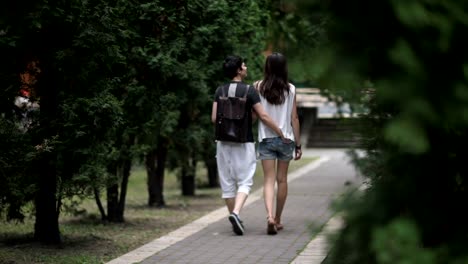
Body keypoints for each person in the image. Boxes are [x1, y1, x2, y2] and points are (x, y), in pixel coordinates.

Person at [211, 55, 288, 236]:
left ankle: (234, 218)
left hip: (222, 142)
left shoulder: (219, 90)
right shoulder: (249, 91)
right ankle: (236, 213)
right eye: (243, 65)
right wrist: (280, 132)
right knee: (245, 181)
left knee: (227, 183)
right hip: (243, 141)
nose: (246, 67)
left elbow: (214, 118)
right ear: (238, 70)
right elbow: (263, 116)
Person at [254, 52, 302, 235]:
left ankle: (269, 216)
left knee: (268, 180)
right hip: (286, 140)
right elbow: (294, 118)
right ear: (284, 68)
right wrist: (298, 145)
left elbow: (255, 114)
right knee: (282, 180)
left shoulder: (257, 87)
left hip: (266, 139)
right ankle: (279, 218)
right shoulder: (291, 89)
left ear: (267, 67)